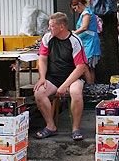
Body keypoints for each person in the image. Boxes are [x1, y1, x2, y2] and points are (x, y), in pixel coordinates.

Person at [33, 12, 87, 141]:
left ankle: (75, 128)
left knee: (75, 92)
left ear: (61, 27)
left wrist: (64, 86)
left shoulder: (74, 41)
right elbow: (43, 59)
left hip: (72, 77)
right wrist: (42, 77)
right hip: (53, 76)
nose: (49, 28)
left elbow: (81, 67)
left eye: (51, 26)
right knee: (39, 92)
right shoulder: (47, 38)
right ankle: (50, 126)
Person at [70, 0, 101, 84]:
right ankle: (91, 86)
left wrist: (72, 34)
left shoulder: (86, 13)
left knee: (86, 67)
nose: (75, 11)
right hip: (87, 42)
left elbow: (84, 27)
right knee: (89, 67)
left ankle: (90, 87)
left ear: (79, 4)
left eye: (75, 8)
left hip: (90, 43)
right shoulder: (85, 13)